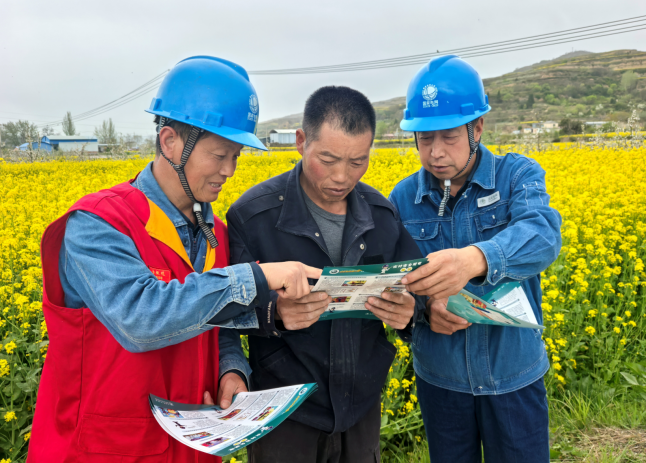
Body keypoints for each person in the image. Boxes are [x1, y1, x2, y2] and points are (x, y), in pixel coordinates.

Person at [27, 56, 320, 463]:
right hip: (106, 449)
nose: (230, 171)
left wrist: (231, 370)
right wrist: (257, 277)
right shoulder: (98, 224)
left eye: (236, 156)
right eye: (219, 155)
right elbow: (140, 319)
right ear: (169, 142)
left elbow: (219, 322)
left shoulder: (215, 232)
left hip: (189, 447)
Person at [226, 86, 426, 463]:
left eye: (357, 162)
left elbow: (419, 291)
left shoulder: (381, 215)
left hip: (360, 409)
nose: (341, 176)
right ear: (301, 142)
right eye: (328, 159)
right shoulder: (252, 217)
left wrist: (410, 312)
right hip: (284, 412)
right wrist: (274, 313)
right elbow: (222, 311)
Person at [388, 55, 562, 463]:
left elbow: (543, 235)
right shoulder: (402, 198)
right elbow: (395, 284)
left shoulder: (517, 176)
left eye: (449, 137)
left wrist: (476, 258)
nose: (435, 152)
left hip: (513, 375)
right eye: (424, 139)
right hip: (441, 381)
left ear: (477, 128)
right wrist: (424, 311)